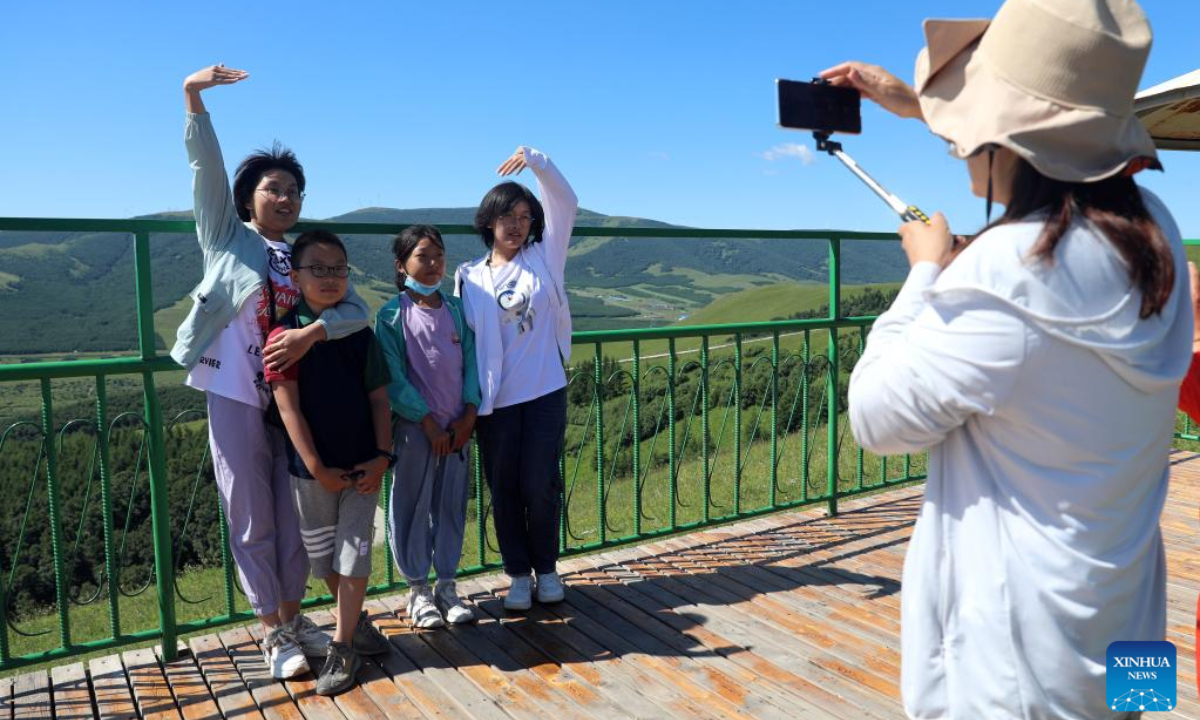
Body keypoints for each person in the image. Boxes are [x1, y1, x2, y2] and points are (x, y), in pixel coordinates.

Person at [831, 0, 1191, 717]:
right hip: (1126, 626)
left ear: (1010, 137)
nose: (964, 139)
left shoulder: (1003, 272)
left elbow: (875, 419)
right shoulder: (1156, 232)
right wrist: (917, 108)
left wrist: (926, 272)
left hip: (1021, 665)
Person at [172, 65, 370, 679]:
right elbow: (205, 172)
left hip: (295, 399)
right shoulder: (227, 237)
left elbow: (357, 308)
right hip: (234, 389)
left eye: (293, 191)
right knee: (250, 511)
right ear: (248, 197)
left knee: (290, 517)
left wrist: (314, 331)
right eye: (272, 188)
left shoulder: (308, 252)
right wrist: (193, 99)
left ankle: (293, 617)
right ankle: (272, 631)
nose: (284, 198)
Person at [264, 230, 394, 696]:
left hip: (364, 465)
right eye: (317, 268)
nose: (330, 277)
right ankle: (355, 625)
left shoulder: (360, 333)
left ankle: (342, 648)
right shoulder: (281, 336)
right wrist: (316, 467)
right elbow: (288, 408)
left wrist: (382, 457)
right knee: (323, 562)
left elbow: (381, 400)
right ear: (295, 276)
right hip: (311, 474)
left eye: (338, 268)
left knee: (353, 551)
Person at [455, 146, 577, 611]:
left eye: (525, 216)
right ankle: (517, 576)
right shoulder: (469, 277)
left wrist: (539, 162)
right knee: (504, 488)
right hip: (496, 402)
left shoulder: (545, 257)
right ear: (488, 221)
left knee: (540, 485)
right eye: (507, 215)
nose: (516, 224)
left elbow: (565, 202)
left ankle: (547, 570)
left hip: (545, 391)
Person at [376, 225, 481, 628]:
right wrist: (427, 422)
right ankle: (418, 588)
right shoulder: (390, 314)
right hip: (415, 430)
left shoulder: (457, 310)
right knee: (411, 503)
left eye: (438, 254)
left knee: (450, 504)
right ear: (402, 266)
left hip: (456, 429)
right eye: (423, 255)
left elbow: (471, 362)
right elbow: (393, 376)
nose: (433, 263)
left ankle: (448, 585)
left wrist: (469, 413)